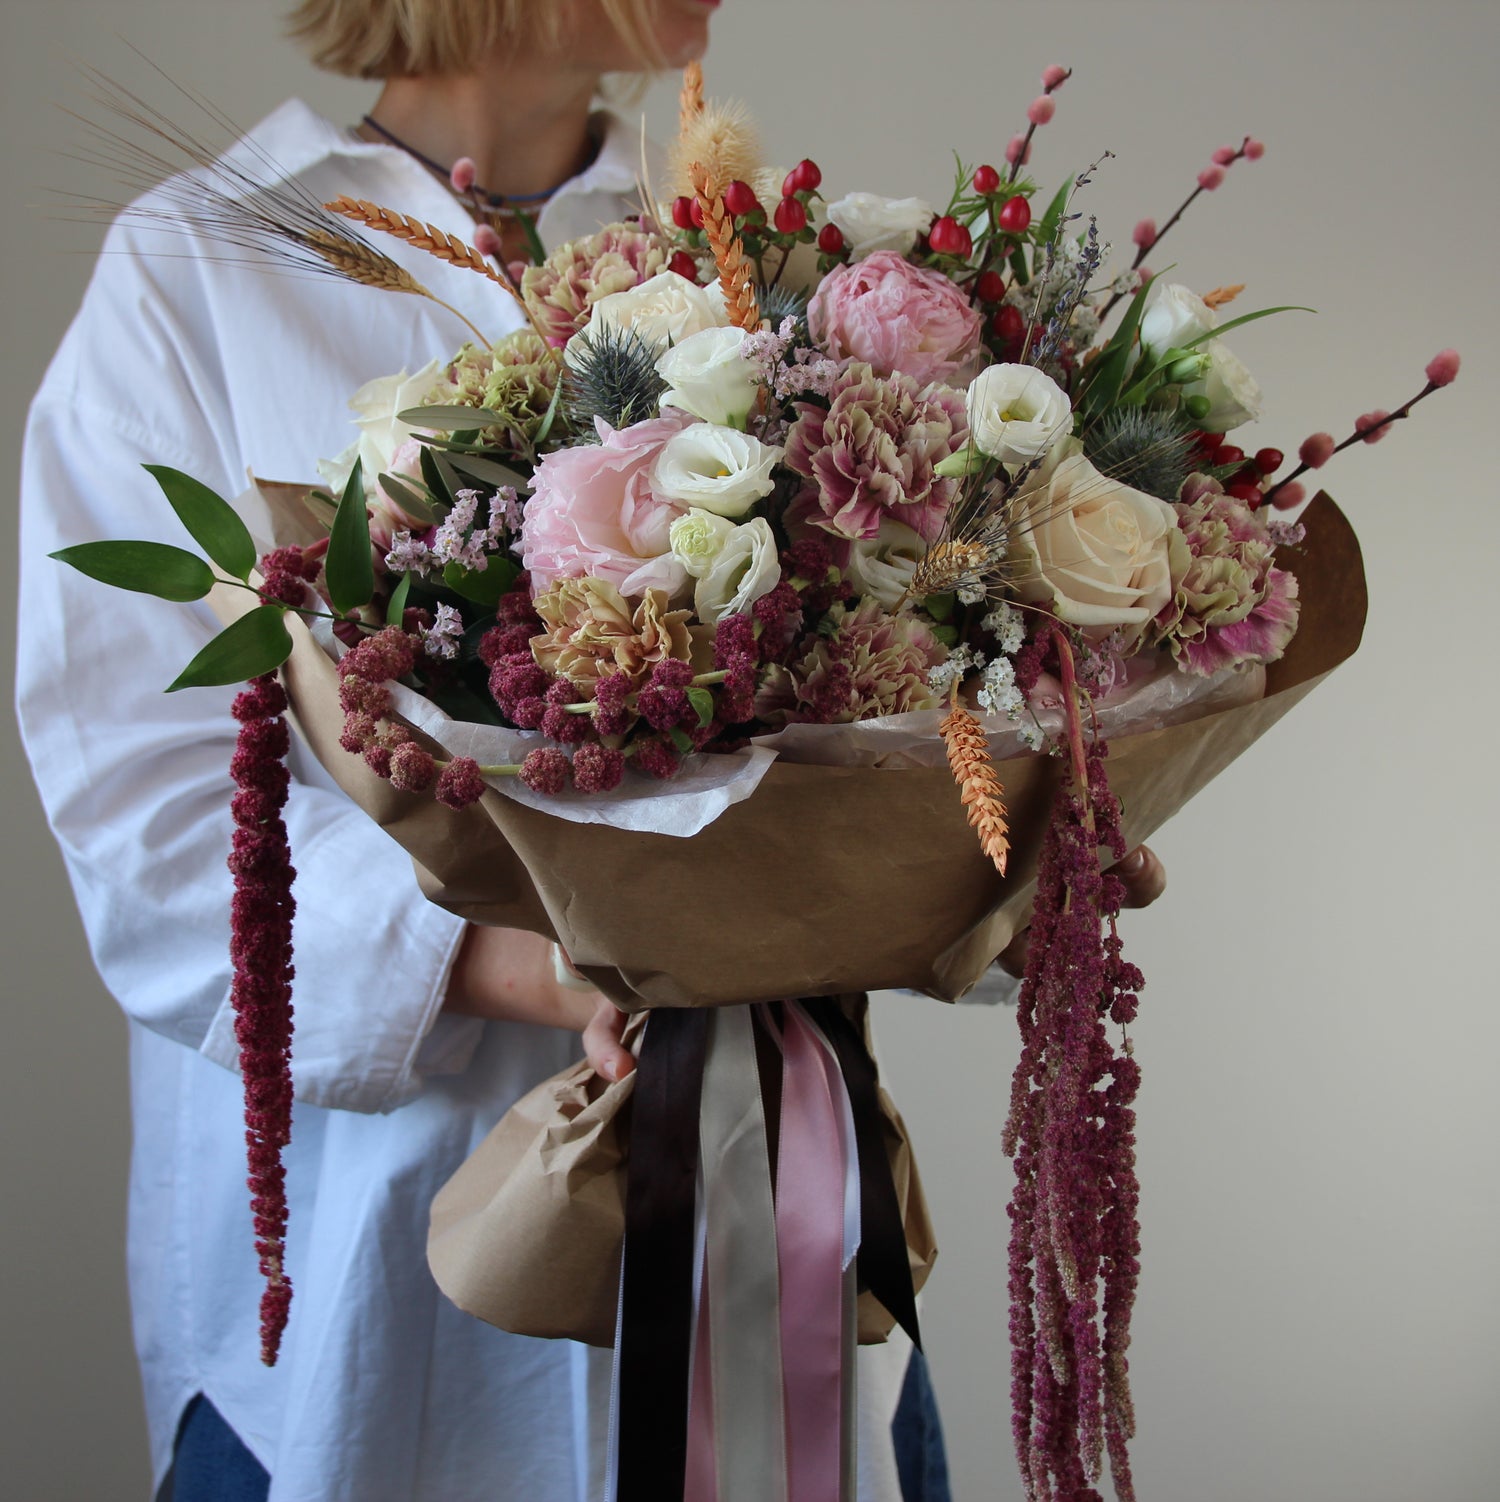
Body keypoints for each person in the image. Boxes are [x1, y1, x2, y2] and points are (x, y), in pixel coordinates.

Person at [17, 2, 1167, 1497]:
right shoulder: (198, 269)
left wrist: (1012, 854)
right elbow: (148, 818)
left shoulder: (763, 256)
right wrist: (555, 969)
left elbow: (902, 688)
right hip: (380, 1305)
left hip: (783, 1259)